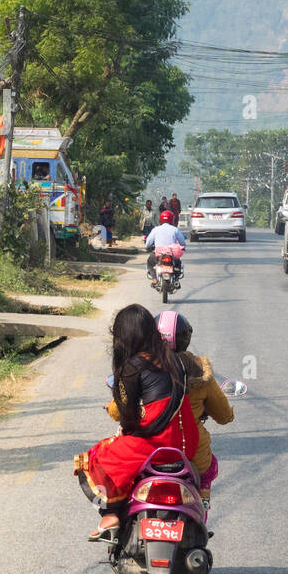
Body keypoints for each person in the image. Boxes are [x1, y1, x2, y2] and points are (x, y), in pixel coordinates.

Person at [74, 305, 198, 539]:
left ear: (124, 337)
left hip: (156, 446)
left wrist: (125, 433)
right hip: (185, 444)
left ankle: (110, 514)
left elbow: (128, 414)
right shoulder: (177, 360)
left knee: (95, 456)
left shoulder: (132, 367)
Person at [155, 311, 233, 523]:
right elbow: (224, 416)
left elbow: (118, 411)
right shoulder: (200, 372)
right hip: (192, 453)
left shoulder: (143, 367)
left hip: (150, 449)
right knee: (206, 474)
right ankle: (201, 517)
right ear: (186, 339)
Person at [144, 210, 188, 280]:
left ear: (160, 219)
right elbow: (182, 243)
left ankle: (154, 279)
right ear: (171, 219)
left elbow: (148, 243)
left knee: (150, 263)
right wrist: (183, 247)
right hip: (171, 254)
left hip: (158, 254)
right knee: (178, 264)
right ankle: (176, 279)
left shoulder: (156, 229)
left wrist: (147, 247)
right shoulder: (175, 229)